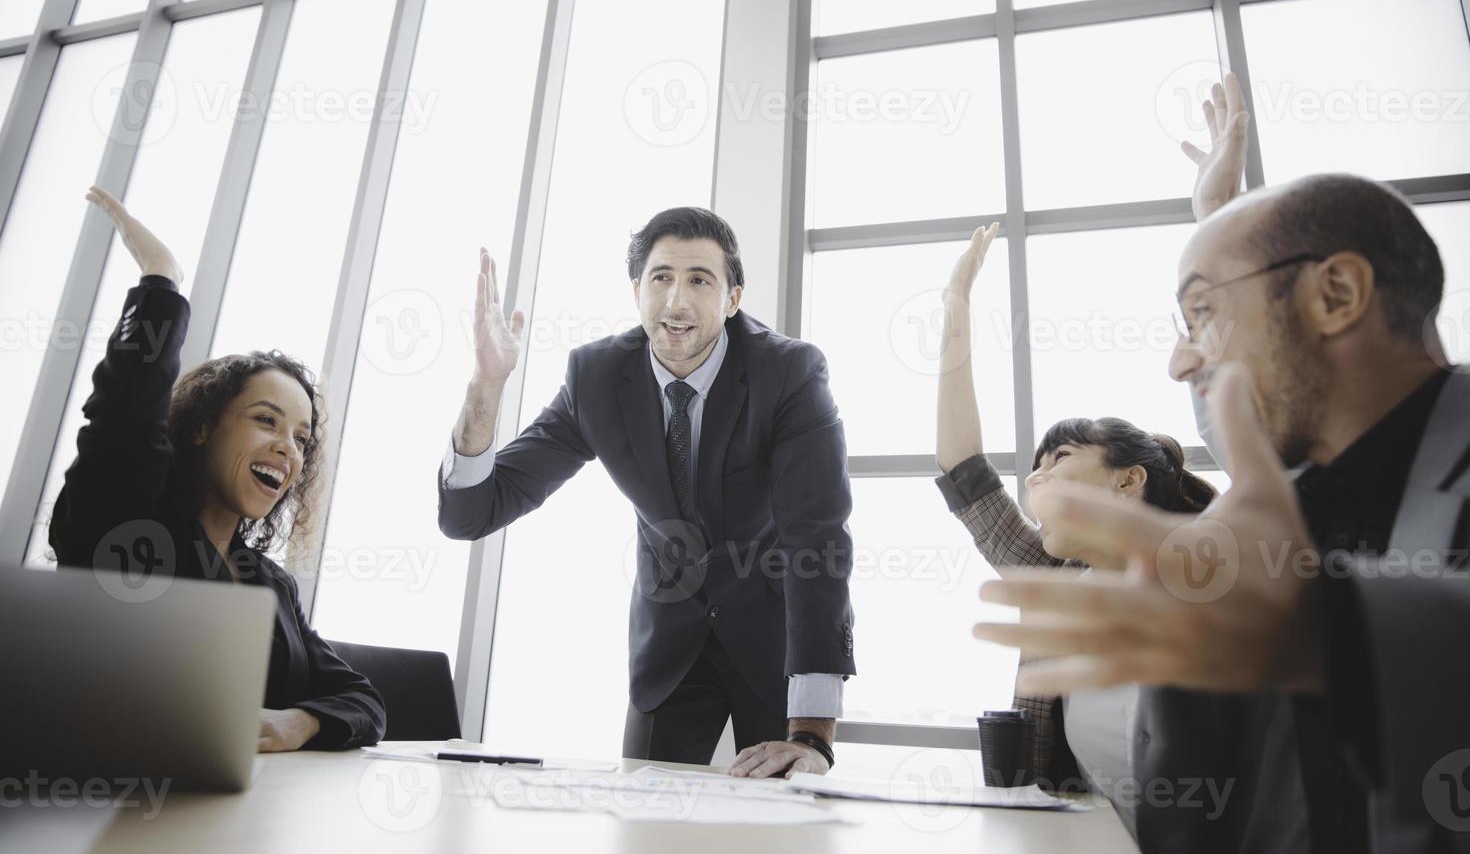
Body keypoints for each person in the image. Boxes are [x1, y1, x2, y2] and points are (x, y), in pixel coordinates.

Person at [975, 171, 1468, 852]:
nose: (1181, 363)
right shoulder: (1267, 511)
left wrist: (1335, 631)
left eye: (1201, 313)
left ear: (1337, 294)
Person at [436, 207, 855, 778]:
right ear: (637, 291)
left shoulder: (789, 374)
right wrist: (486, 386)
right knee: (646, 824)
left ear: (733, 298)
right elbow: (472, 512)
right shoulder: (598, 378)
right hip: (671, 642)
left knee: (785, 821)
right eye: (661, 278)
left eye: (699, 279)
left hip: (776, 639)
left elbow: (819, 538)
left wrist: (813, 734)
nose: (676, 301)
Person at [49, 186, 386, 753]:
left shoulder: (270, 582)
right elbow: (125, 423)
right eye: (266, 420)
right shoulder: (133, 527)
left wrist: (299, 722)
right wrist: (161, 281)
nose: (288, 449)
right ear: (202, 426)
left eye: (301, 439)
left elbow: (362, 700)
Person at [935, 220, 1216, 828]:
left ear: (1127, 479)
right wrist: (956, 306)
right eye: (1035, 469)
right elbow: (964, 467)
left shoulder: (1219, 566)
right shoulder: (1057, 579)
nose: (1036, 479)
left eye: (1060, 458)